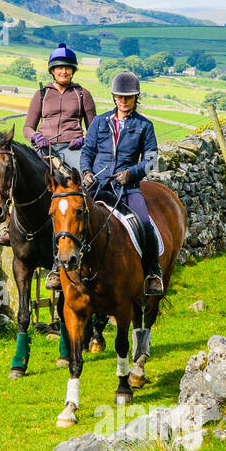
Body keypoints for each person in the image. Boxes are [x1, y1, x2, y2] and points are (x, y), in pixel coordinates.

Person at [0, 43, 96, 253]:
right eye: (59, 68)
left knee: (87, 182)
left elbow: (94, 129)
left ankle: (91, 227)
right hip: (44, 149)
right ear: (52, 70)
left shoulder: (82, 95)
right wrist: (37, 137)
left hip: (73, 148)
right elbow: (27, 128)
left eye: (68, 68)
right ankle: (9, 226)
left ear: (73, 70)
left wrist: (84, 140)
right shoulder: (41, 94)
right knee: (17, 177)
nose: (64, 71)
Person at [80, 70, 164, 295]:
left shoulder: (145, 126)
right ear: (114, 97)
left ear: (136, 98)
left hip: (127, 188)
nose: (123, 101)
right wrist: (86, 171)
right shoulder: (99, 122)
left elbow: (151, 160)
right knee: (69, 216)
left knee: (145, 224)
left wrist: (131, 173)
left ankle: (152, 272)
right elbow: (87, 151)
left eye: (128, 97)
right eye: (120, 97)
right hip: (97, 185)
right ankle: (59, 268)